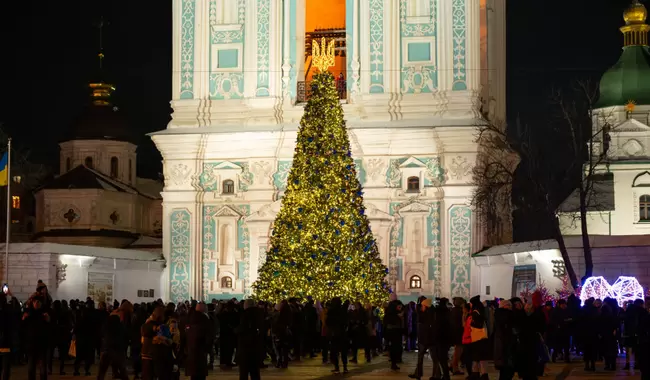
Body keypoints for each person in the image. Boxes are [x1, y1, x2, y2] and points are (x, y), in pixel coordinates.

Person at [236, 299, 265, 380]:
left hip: (246, 348)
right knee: (255, 372)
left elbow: (242, 328)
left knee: (244, 373)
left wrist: (235, 330)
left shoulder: (246, 314)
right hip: (256, 347)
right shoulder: (259, 313)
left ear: (246, 305)